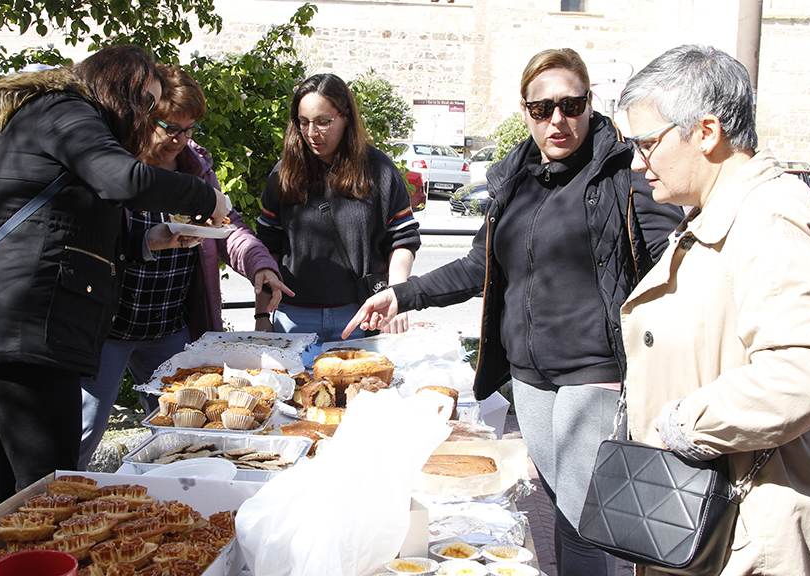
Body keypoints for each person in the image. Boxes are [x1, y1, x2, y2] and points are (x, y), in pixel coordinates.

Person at [344, 49, 683, 575]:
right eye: (542, 108)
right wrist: (400, 294)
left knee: (583, 521)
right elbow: (479, 265)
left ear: (590, 103)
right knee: (564, 510)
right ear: (524, 111)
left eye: (571, 105)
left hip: (595, 376)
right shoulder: (516, 179)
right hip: (528, 378)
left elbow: (667, 262)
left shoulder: (623, 171)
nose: (558, 120)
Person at [0, 45, 230, 508]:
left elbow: (73, 229)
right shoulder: (63, 108)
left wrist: (150, 240)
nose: (150, 115)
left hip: (23, 327)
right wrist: (205, 197)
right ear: (120, 91)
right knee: (48, 490)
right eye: (148, 104)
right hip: (23, 327)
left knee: (17, 494)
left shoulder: (65, 120)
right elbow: (123, 180)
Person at [618, 44, 810, 575]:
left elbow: (804, 370)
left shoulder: (768, 216)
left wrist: (681, 423)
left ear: (706, 133)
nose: (639, 163)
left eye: (646, 143)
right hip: (717, 516)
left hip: (753, 529)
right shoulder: (724, 209)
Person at [78, 66, 292, 470]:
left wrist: (261, 266)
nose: (180, 140)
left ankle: (178, 498)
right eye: (170, 128)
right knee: (83, 428)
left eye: (190, 130)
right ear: (142, 117)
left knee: (186, 429)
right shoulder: (114, 165)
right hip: (108, 327)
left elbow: (228, 231)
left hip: (169, 327)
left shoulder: (195, 167)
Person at [255, 73, 421, 344]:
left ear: (346, 117)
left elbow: (402, 240)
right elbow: (267, 251)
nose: (311, 133)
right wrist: (262, 317)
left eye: (323, 122)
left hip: (361, 316)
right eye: (303, 122)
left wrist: (397, 295)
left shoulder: (378, 169)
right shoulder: (283, 174)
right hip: (294, 320)